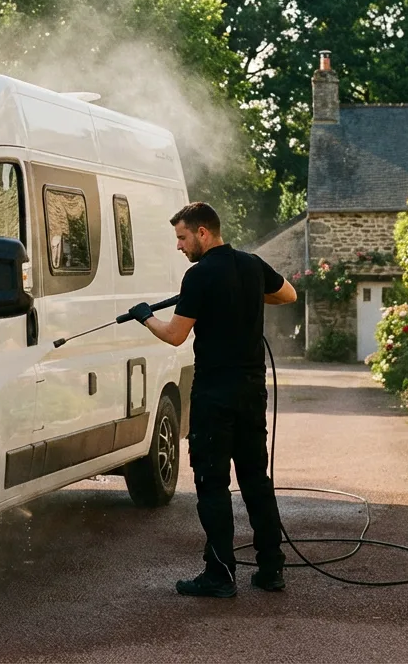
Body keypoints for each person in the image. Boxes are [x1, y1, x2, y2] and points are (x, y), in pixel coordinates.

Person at [127, 202, 298, 598]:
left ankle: (220, 575)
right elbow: (287, 294)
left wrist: (144, 316)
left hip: (214, 397)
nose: (179, 247)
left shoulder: (199, 276)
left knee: (212, 483)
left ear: (203, 232)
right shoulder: (253, 265)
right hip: (252, 393)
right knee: (256, 479)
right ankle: (271, 570)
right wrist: (249, 297)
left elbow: (173, 335)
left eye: (182, 238)